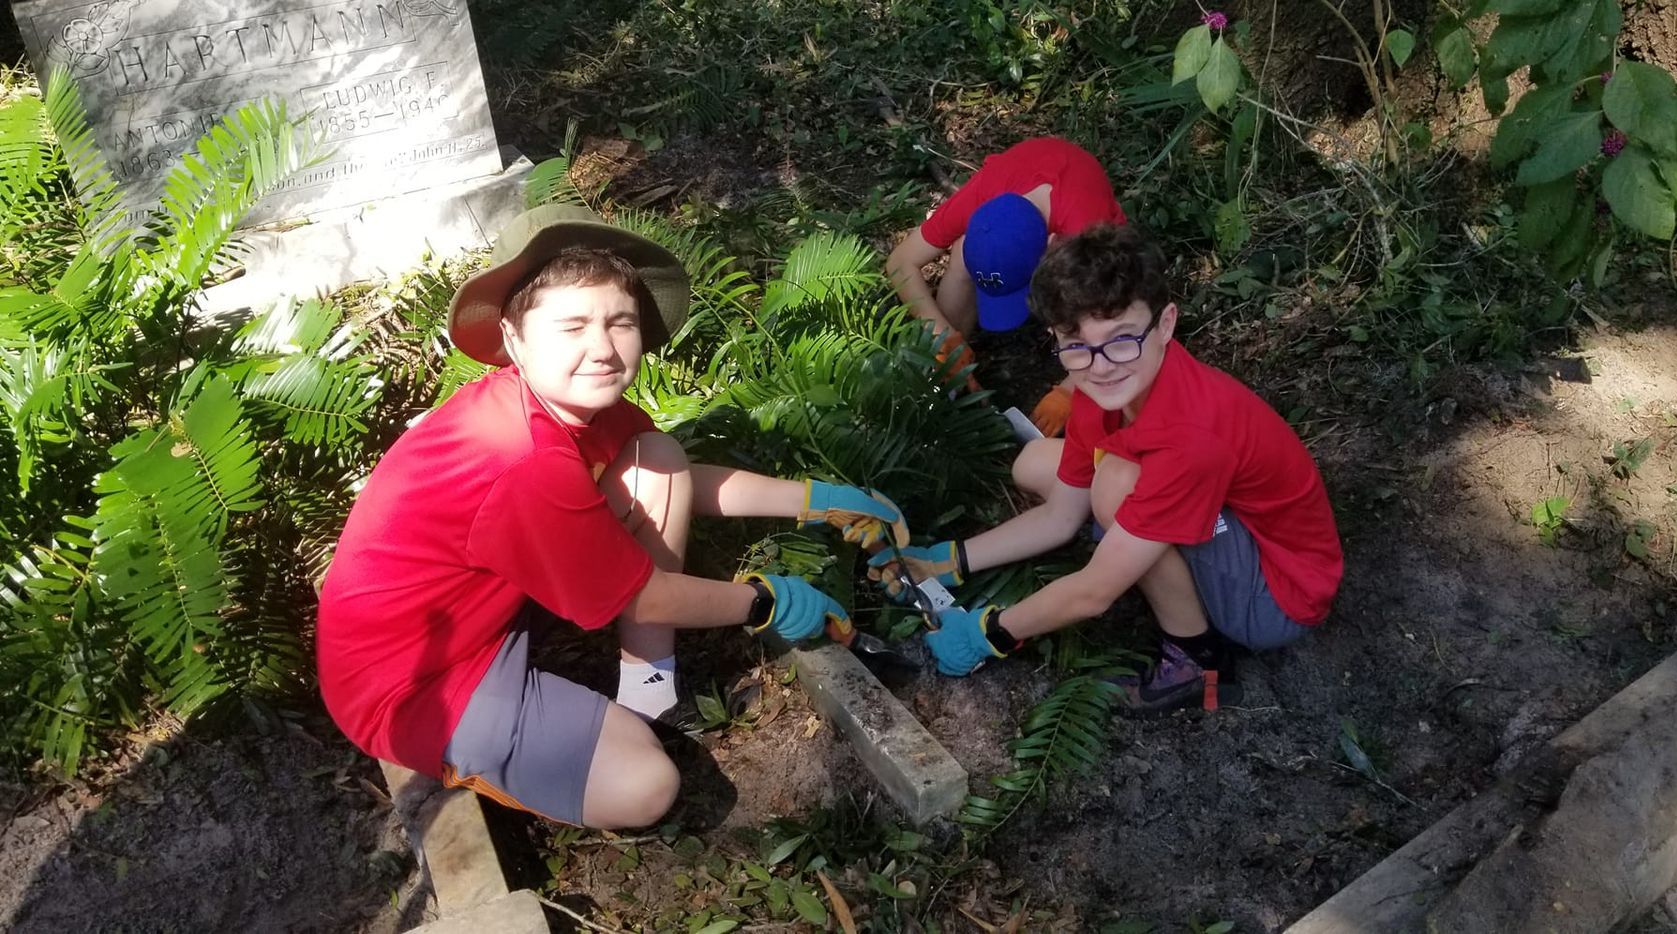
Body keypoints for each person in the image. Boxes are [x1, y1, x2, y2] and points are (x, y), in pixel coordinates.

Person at [317, 205, 903, 829]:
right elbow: (649, 598)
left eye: (620, 322)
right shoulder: (519, 458)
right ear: (514, 338)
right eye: (572, 326)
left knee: (660, 457)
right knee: (645, 787)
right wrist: (766, 599)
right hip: (412, 683)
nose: (602, 348)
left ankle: (649, 689)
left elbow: (681, 481)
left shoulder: (573, 403)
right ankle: (474, 762)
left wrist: (820, 498)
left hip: (482, 614)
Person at [871, 225, 1343, 713]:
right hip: (1236, 527)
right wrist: (948, 560)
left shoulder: (1191, 437)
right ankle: (1146, 553)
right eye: (1076, 344)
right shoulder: (1106, 388)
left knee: (1116, 488)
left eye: (1121, 339)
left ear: (1165, 324)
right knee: (1054, 470)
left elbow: (1094, 594)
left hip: (1276, 596)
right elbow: (1061, 514)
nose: (1100, 366)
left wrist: (988, 633)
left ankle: (1198, 661)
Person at [884, 137, 1127, 435]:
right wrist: (942, 334)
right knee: (961, 257)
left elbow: (1123, 323)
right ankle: (945, 370)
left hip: (1080, 222)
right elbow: (900, 262)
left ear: (1052, 248)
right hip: (1021, 181)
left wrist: (1069, 391)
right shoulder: (979, 202)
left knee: (1089, 306)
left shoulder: (1088, 236)